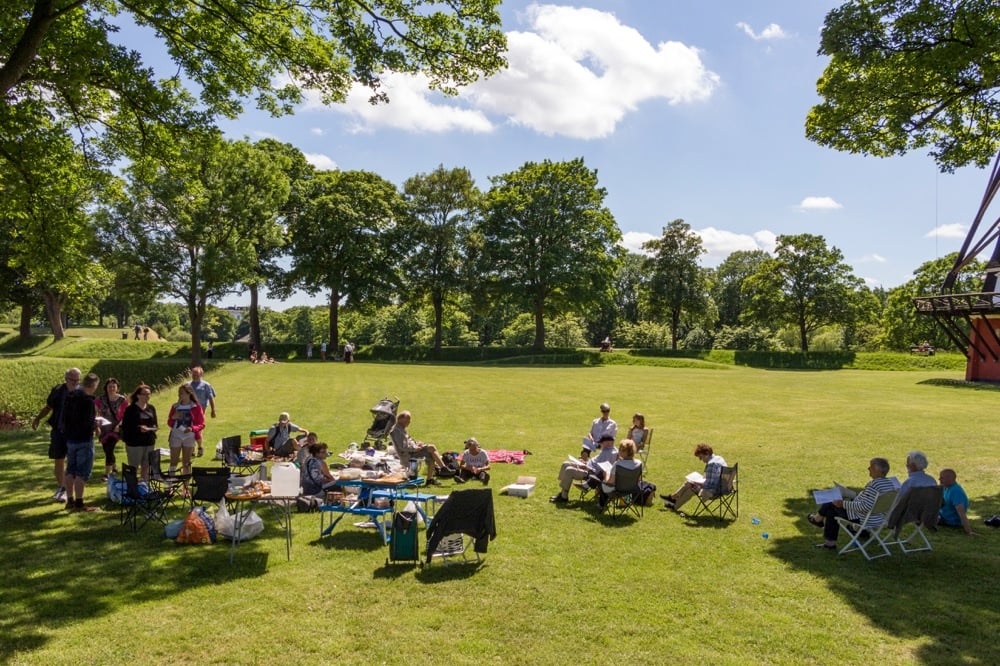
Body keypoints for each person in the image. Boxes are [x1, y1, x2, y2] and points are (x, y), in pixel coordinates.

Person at [807, 457, 898, 549]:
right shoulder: (890, 484)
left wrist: (843, 504)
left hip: (864, 518)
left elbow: (865, 506)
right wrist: (851, 496)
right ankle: (829, 542)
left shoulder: (874, 485)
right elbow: (871, 501)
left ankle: (817, 520)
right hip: (878, 517)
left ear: (878, 471)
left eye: (871, 467)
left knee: (832, 503)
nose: (868, 469)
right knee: (833, 508)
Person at [31, 367, 82, 502]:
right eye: (72, 380)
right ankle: (62, 487)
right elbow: (48, 407)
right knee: (59, 459)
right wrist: (37, 418)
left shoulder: (82, 392)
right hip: (59, 431)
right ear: (66, 379)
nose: (75, 382)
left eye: (77, 380)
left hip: (75, 432)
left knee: (73, 461)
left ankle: (71, 489)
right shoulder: (58, 390)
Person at [62, 372, 101, 511]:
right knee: (82, 472)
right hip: (84, 439)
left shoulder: (71, 396)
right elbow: (88, 421)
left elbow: (65, 417)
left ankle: (69, 500)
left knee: (70, 470)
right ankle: (79, 503)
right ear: (94, 385)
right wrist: (96, 426)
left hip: (70, 438)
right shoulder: (88, 401)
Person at [550, 433, 618, 503]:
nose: (600, 444)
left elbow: (602, 469)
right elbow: (596, 462)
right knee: (565, 464)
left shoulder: (610, 453)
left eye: (601, 443)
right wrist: (585, 462)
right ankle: (562, 491)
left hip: (592, 474)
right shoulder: (607, 450)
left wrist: (586, 466)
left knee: (569, 470)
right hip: (588, 467)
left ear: (608, 442)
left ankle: (564, 496)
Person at [661, 443, 728, 511]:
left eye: (701, 457)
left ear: (707, 453)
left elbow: (709, 485)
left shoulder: (711, 464)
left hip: (714, 491)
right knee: (689, 483)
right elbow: (712, 480)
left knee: (691, 488)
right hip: (725, 487)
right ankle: (674, 498)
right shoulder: (719, 458)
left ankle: (674, 503)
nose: (701, 460)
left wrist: (697, 483)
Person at [389, 410, 447, 486]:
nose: (409, 422)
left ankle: (430, 479)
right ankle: (443, 468)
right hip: (408, 454)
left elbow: (409, 441)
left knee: (431, 455)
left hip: (412, 450)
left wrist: (417, 444)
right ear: (401, 420)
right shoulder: (397, 431)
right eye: (408, 420)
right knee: (432, 448)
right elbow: (402, 447)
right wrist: (415, 449)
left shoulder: (401, 428)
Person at [120, 383, 158, 482]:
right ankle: (132, 488)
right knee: (134, 467)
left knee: (146, 465)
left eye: (149, 394)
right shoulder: (130, 409)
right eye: (145, 394)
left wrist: (152, 428)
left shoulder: (151, 408)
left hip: (149, 441)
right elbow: (125, 427)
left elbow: (155, 424)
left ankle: (144, 486)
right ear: (138, 395)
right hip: (135, 442)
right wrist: (138, 428)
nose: (147, 396)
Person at [167, 383, 205, 475]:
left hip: (189, 436)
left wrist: (192, 428)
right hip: (176, 435)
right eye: (179, 393)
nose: (180, 395)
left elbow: (202, 424)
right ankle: (170, 484)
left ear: (189, 394)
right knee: (173, 461)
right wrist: (173, 417)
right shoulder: (175, 406)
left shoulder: (196, 406)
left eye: (182, 393)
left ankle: (185, 487)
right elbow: (169, 422)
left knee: (186, 463)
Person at [95, 377, 127, 481]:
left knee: (109, 449)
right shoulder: (100, 399)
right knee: (106, 449)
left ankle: (107, 474)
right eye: (110, 386)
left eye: (114, 386)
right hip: (104, 428)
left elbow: (126, 415)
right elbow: (94, 411)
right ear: (106, 388)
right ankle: (114, 466)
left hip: (115, 429)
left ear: (117, 388)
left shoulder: (122, 400)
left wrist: (119, 425)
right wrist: (97, 426)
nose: (112, 388)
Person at [938, 468, 976, 536]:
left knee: (922, 516)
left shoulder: (956, 492)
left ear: (950, 479)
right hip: (942, 515)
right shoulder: (946, 487)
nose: (939, 479)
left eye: (942, 478)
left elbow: (961, 512)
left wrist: (969, 531)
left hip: (949, 521)